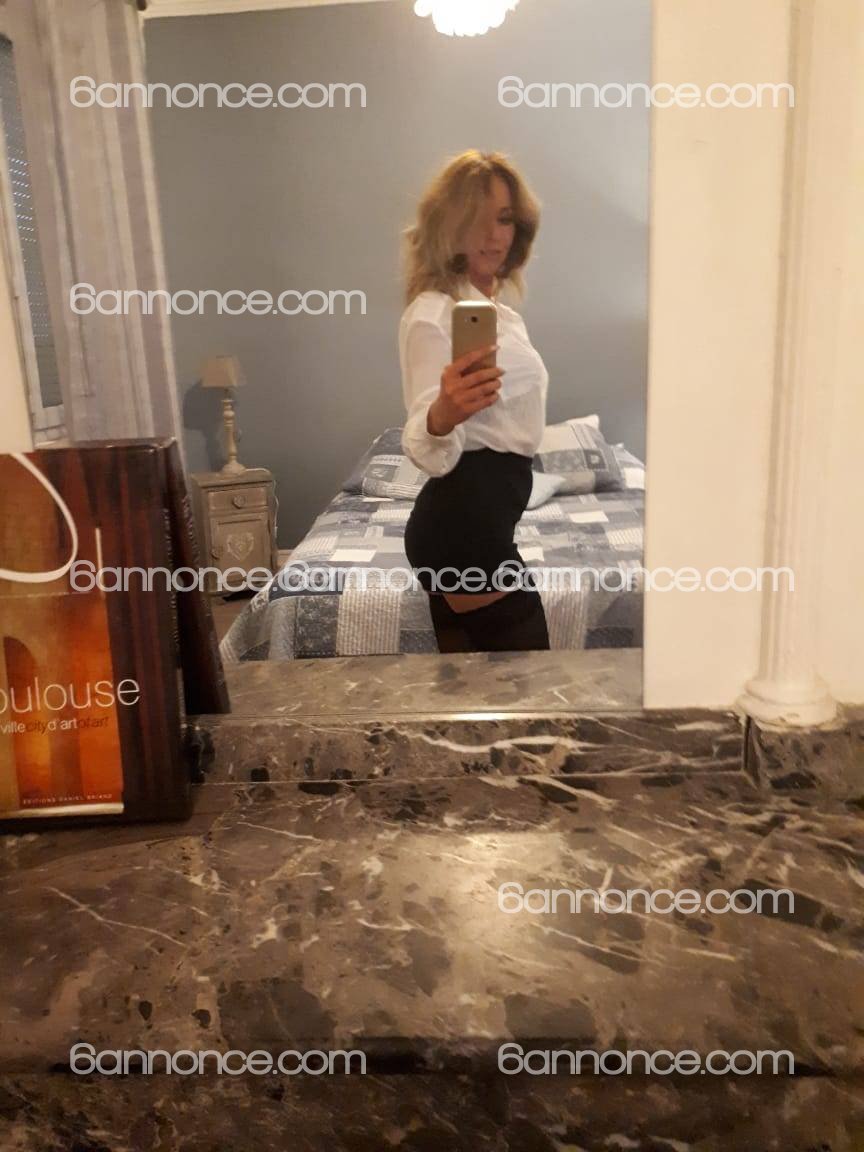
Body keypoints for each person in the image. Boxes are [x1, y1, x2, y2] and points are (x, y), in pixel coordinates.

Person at [400, 149, 550, 653]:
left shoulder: (500, 317)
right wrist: (443, 415)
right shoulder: (433, 312)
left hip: (477, 526)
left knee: (472, 690)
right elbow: (424, 444)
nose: (494, 235)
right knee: (527, 680)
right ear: (449, 226)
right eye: (477, 219)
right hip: (464, 529)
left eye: (504, 218)